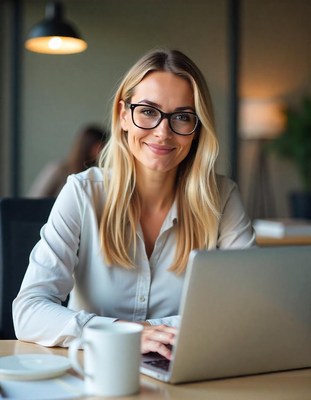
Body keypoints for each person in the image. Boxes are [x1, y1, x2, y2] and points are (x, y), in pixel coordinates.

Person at [13, 49, 255, 359]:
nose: (163, 132)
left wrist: (145, 332)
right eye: (148, 111)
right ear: (124, 115)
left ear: (197, 129)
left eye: (182, 116)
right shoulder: (83, 192)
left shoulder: (221, 198)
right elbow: (28, 311)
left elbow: (249, 307)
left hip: (181, 377)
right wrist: (127, 333)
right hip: (94, 373)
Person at [27, 124, 109, 197]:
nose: (103, 151)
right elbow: (35, 198)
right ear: (88, 146)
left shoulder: (97, 173)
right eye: (101, 146)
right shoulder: (58, 170)